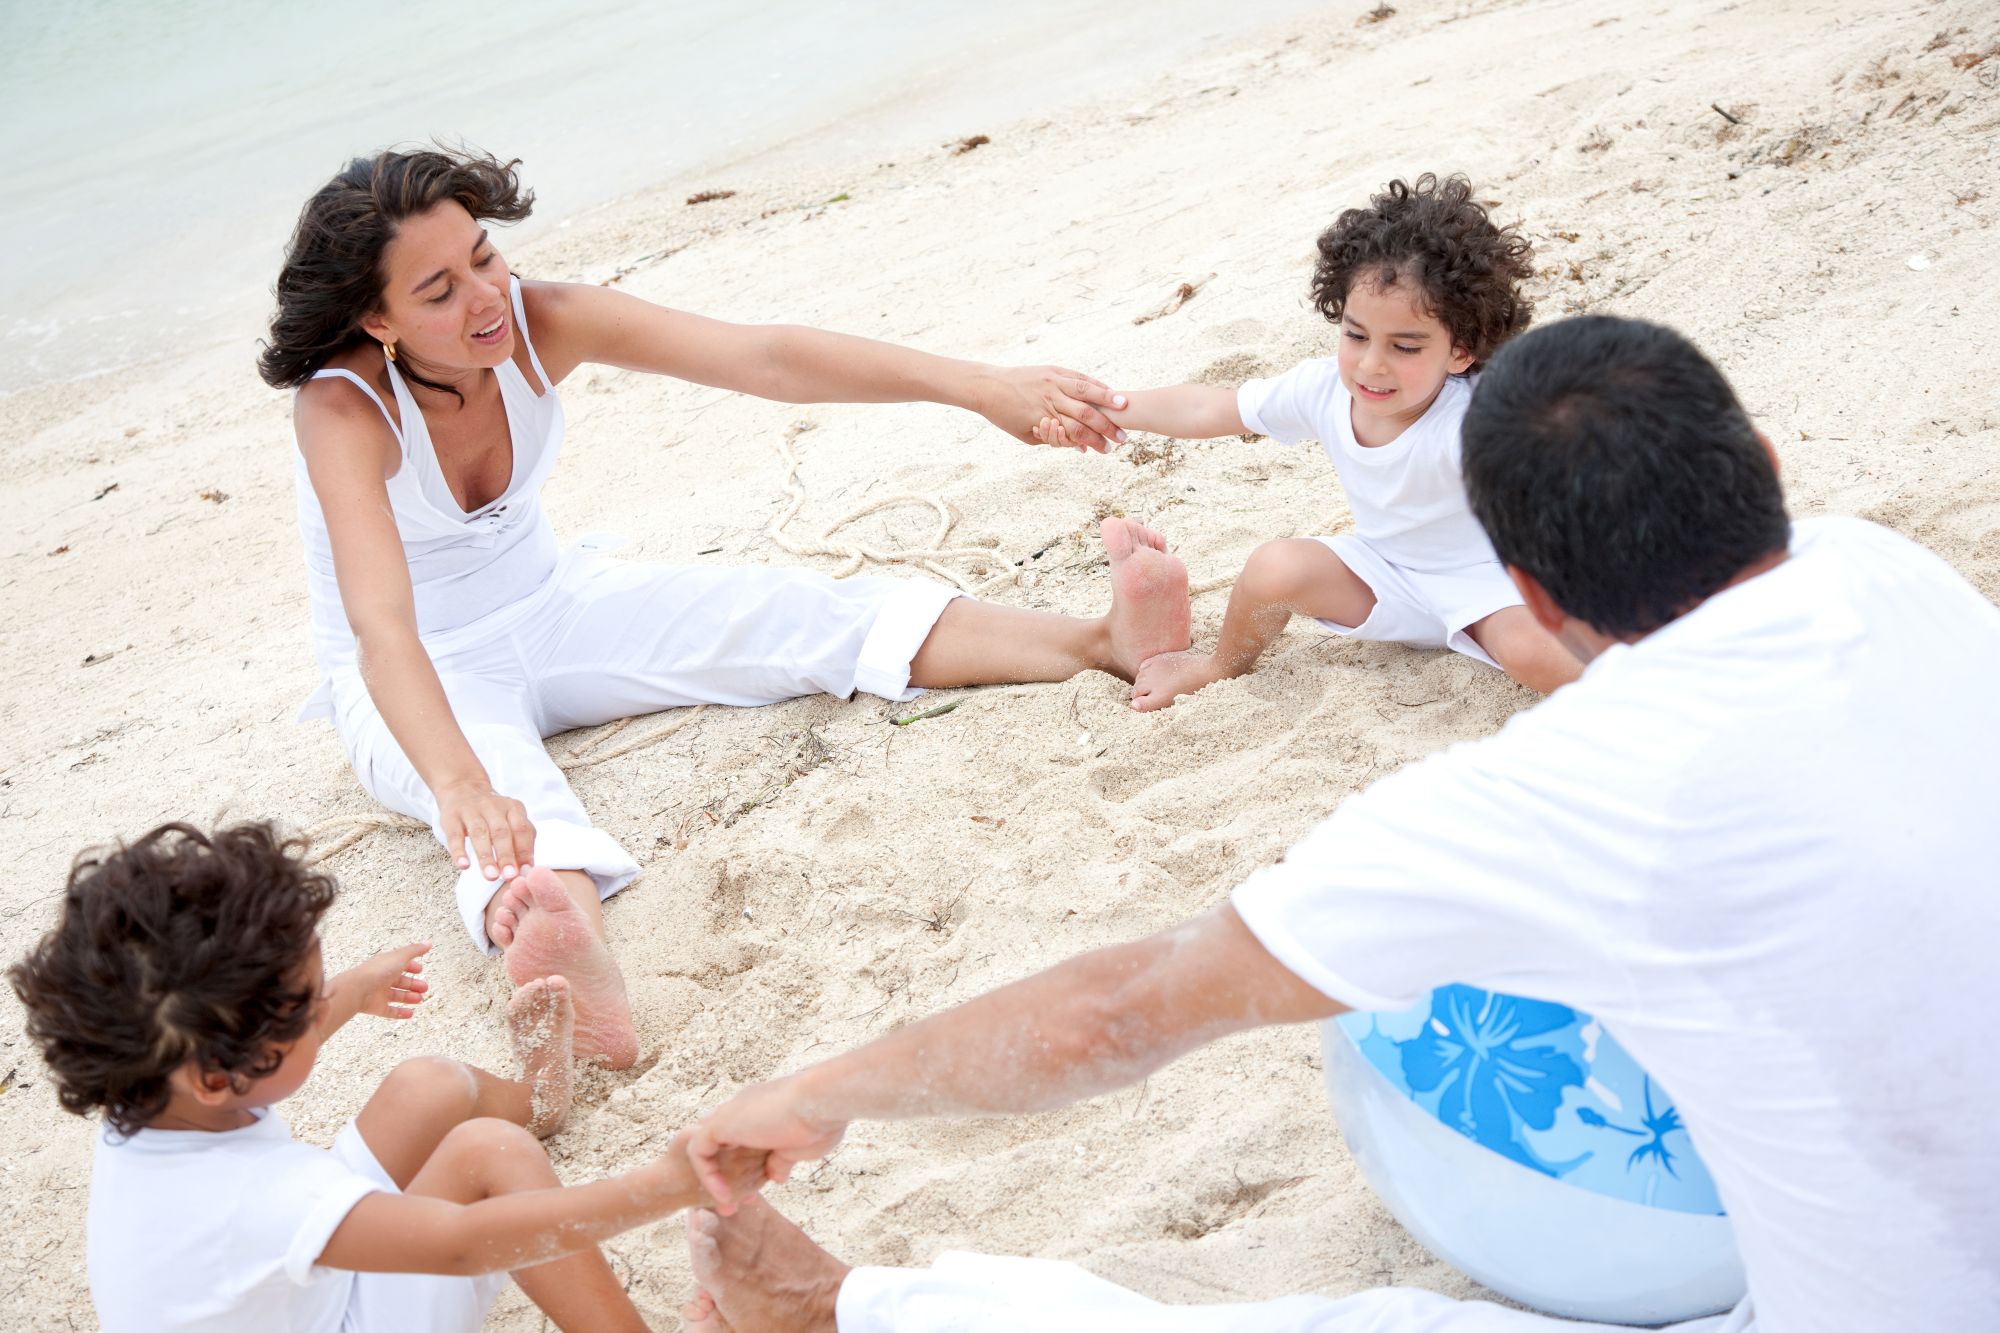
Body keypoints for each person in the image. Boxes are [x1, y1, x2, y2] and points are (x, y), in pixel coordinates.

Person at [677, 316, 2000, 1331]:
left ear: (1527, 593)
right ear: (1764, 466)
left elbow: (1117, 1013)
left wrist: (811, 1093)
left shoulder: (1560, 799)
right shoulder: (1888, 568)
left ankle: (851, 1311)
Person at [261, 146, 1192, 1066]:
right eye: (438, 291)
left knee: (783, 609)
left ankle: (1103, 640)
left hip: (556, 601)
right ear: (375, 315)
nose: (485, 294)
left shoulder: (542, 321)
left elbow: (767, 358)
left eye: (483, 256)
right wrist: (459, 782)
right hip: (416, 671)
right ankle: (567, 969)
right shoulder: (341, 410)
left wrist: (979, 386)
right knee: (512, 805)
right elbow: (382, 628)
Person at [7, 821, 769, 1333]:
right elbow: (465, 1242)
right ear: (217, 1074)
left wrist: (346, 995)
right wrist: (670, 1182)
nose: (324, 1002)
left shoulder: (149, 1086)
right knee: (490, 1154)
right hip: (330, 1307)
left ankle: (542, 1097)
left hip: (289, 1298)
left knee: (425, 1083)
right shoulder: (257, 1198)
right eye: (307, 1004)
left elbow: (245, 1055)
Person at [1033, 174, 1579, 710]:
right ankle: (1217, 666)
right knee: (1276, 568)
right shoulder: (1321, 389)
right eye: (1357, 335)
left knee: (1533, 652)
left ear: (1461, 352)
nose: (1372, 365)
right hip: (1386, 576)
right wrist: (1101, 409)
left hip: (1493, 588)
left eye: (1405, 347)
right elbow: (1209, 407)